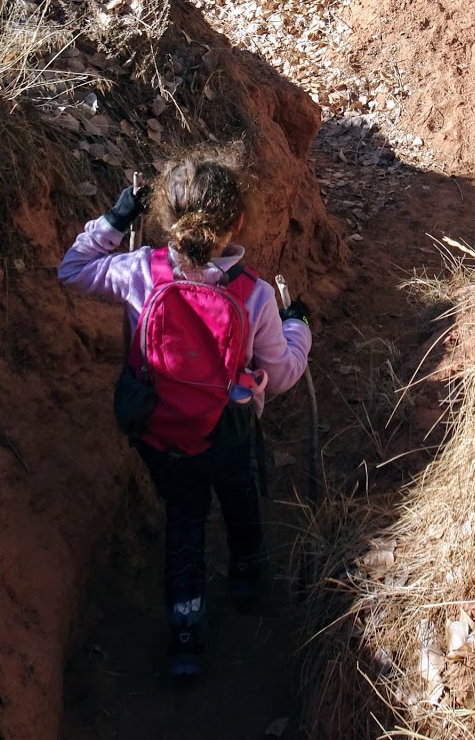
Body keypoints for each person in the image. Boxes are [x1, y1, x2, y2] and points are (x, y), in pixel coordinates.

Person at [58, 158, 312, 676]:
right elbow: (283, 373)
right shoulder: (256, 295)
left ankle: (186, 634)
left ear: (164, 216)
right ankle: (249, 585)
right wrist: (297, 327)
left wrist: (114, 219)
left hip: (160, 432)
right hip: (227, 431)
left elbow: (73, 269)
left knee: (185, 516)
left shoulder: (137, 272)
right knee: (240, 499)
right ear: (238, 222)